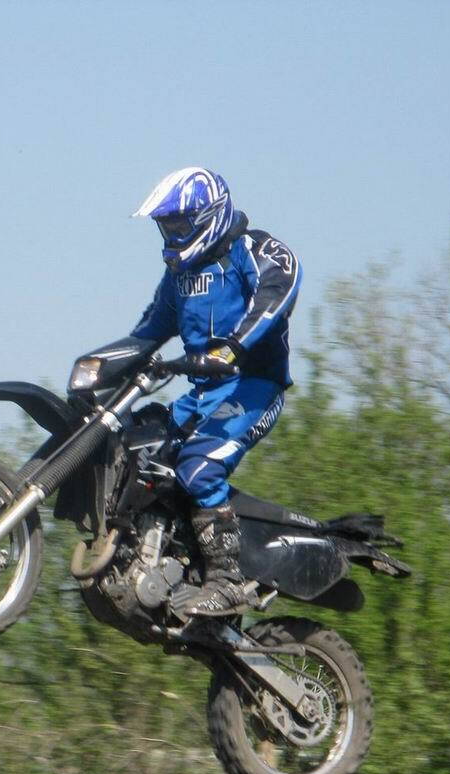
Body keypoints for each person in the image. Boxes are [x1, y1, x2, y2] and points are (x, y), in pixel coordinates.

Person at [128, 166, 302, 617]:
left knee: (199, 466)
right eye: (166, 226)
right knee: (139, 446)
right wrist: (105, 367)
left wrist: (234, 347)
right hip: (202, 394)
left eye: (179, 224)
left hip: (253, 388)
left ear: (209, 216)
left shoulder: (253, 249)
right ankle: (167, 560)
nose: (172, 234)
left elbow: (279, 290)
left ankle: (228, 581)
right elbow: (147, 332)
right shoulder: (179, 275)